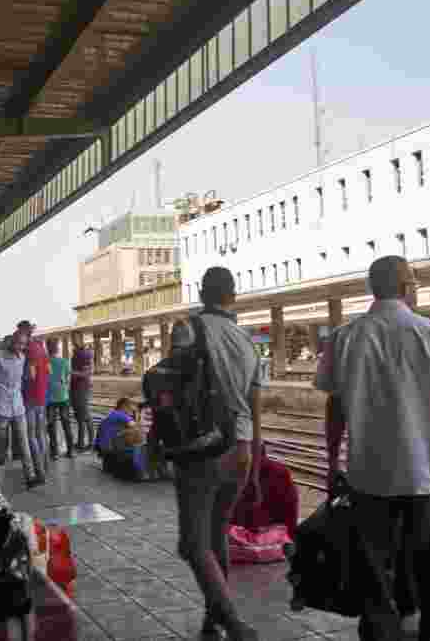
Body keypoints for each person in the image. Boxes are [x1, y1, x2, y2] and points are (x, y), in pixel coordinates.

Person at [315, 256, 430, 641]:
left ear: (373, 288)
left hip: (368, 476)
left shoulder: (344, 337)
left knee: (374, 570)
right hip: (428, 474)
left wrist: (333, 461)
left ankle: (382, 633)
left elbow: (335, 408)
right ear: (406, 287)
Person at [170, 267, 262, 640]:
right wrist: (255, 455)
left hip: (201, 449)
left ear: (202, 293)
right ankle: (213, 619)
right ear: (232, 296)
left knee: (193, 544)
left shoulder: (187, 329)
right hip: (240, 448)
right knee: (217, 533)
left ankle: (232, 621)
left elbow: (172, 390)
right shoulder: (247, 340)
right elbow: (256, 405)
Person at [0, 330, 39, 490]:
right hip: (1, 407)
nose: (20, 347)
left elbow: (26, 380)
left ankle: (30, 476)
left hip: (18, 407)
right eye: (18, 343)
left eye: (23, 345)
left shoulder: (22, 358)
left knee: (24, 443)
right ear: (11, 341)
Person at [24, 334, 51, 483]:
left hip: (30, 398)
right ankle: (46, 465)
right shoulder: (43, 350)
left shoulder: (29, 351)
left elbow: (30, 376)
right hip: (42, 397)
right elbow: (49, 372)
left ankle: (39, 471)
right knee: (41, 434)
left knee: (32, 436)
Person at [46, 339, 74, 460]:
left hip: (50, 398)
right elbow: (67, 378)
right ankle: (70, 451)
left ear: (47, 348)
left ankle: (54, 452)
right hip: (63, 397)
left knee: (51, 426)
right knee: (66, 424)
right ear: (57, 348)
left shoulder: (45, 362)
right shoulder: (64, 362)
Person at [70, 333, 95, 452]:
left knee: (85, 415)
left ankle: (91, 442)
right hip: (76, 387)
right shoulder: (76, 353)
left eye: (75, 338)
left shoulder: (85, 354)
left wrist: (69, 372)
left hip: (82, 388)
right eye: (72, 338)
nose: (73, 341)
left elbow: (87, 373)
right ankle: (80, 442)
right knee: (80, 417)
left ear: (81, 339)